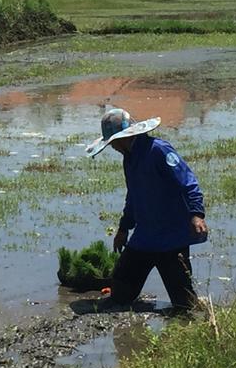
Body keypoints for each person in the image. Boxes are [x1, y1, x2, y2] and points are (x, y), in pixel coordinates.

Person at [86, 108, 208, 311]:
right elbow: (133, 196)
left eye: (114, 142)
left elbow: (188, 183)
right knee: (120, 293)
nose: (113, 147)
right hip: (145, 237)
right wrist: (124, 228)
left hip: (172, 238)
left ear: (126, 137)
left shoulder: (159, 150)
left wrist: (196, 214)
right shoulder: (129, 158)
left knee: (184, 304)